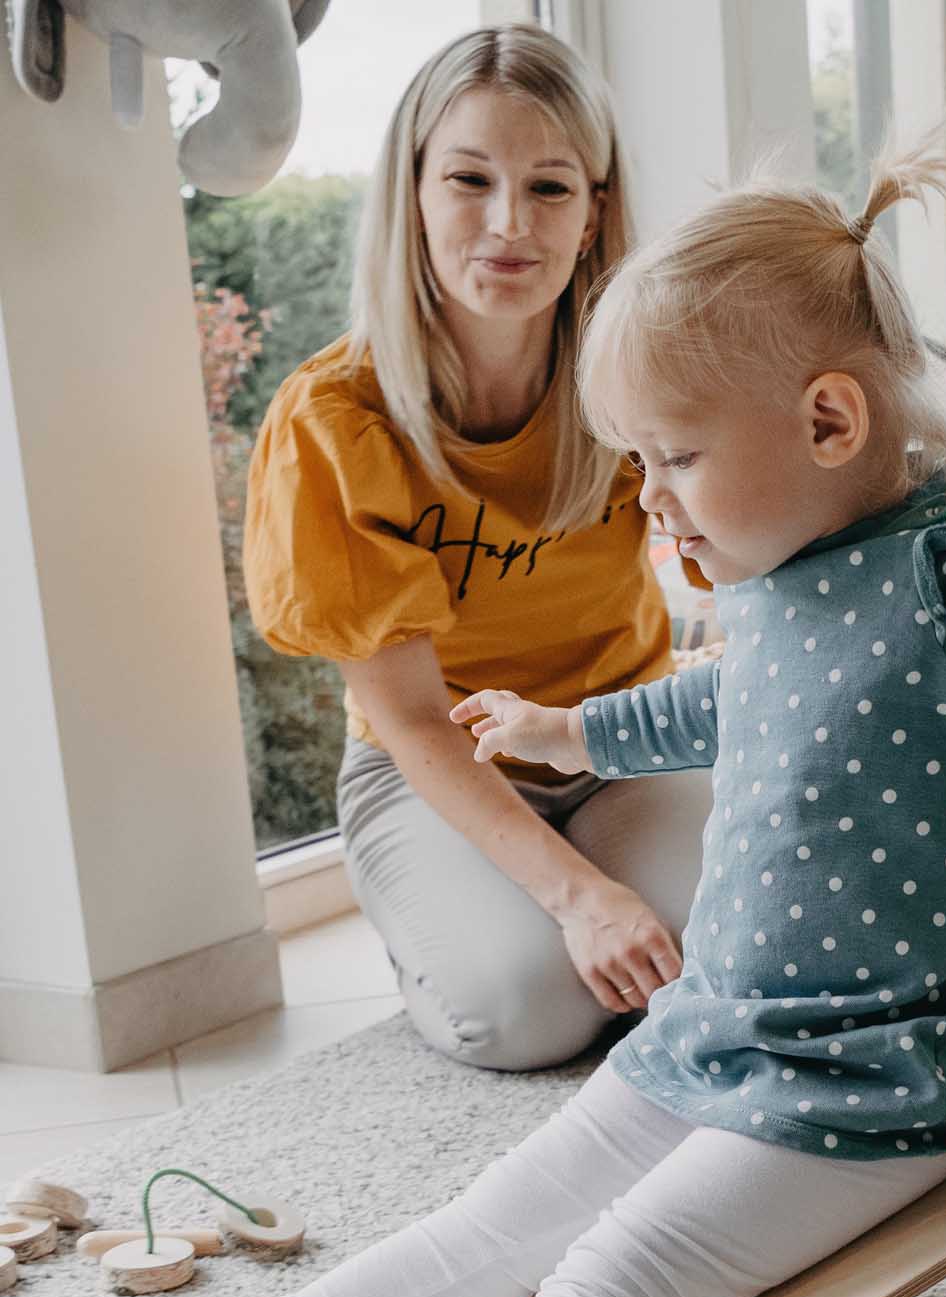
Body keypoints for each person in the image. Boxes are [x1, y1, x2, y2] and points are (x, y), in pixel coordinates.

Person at [27, 137, 946, 1297]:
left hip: (895, 1072)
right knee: (511, 1207)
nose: (652, 503)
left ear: (832, 419)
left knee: (629, 1271)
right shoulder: (780, 573)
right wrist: (569, 723)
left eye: (676, 457)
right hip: (728, 1020)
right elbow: (724, 696)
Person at [243, 24, 713, 1071]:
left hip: (619, 739)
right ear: (412, 192)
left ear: (595, 212)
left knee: (735, 945)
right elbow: (411, 716)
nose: (509, 225)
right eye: (468, 179)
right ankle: (455, 915)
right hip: (432, 767)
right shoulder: (334, 420)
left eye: (550, 188)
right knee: (525, 1012)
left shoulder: (636, 371)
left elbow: (734, 559)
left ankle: (582, 880)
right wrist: (581, 895)